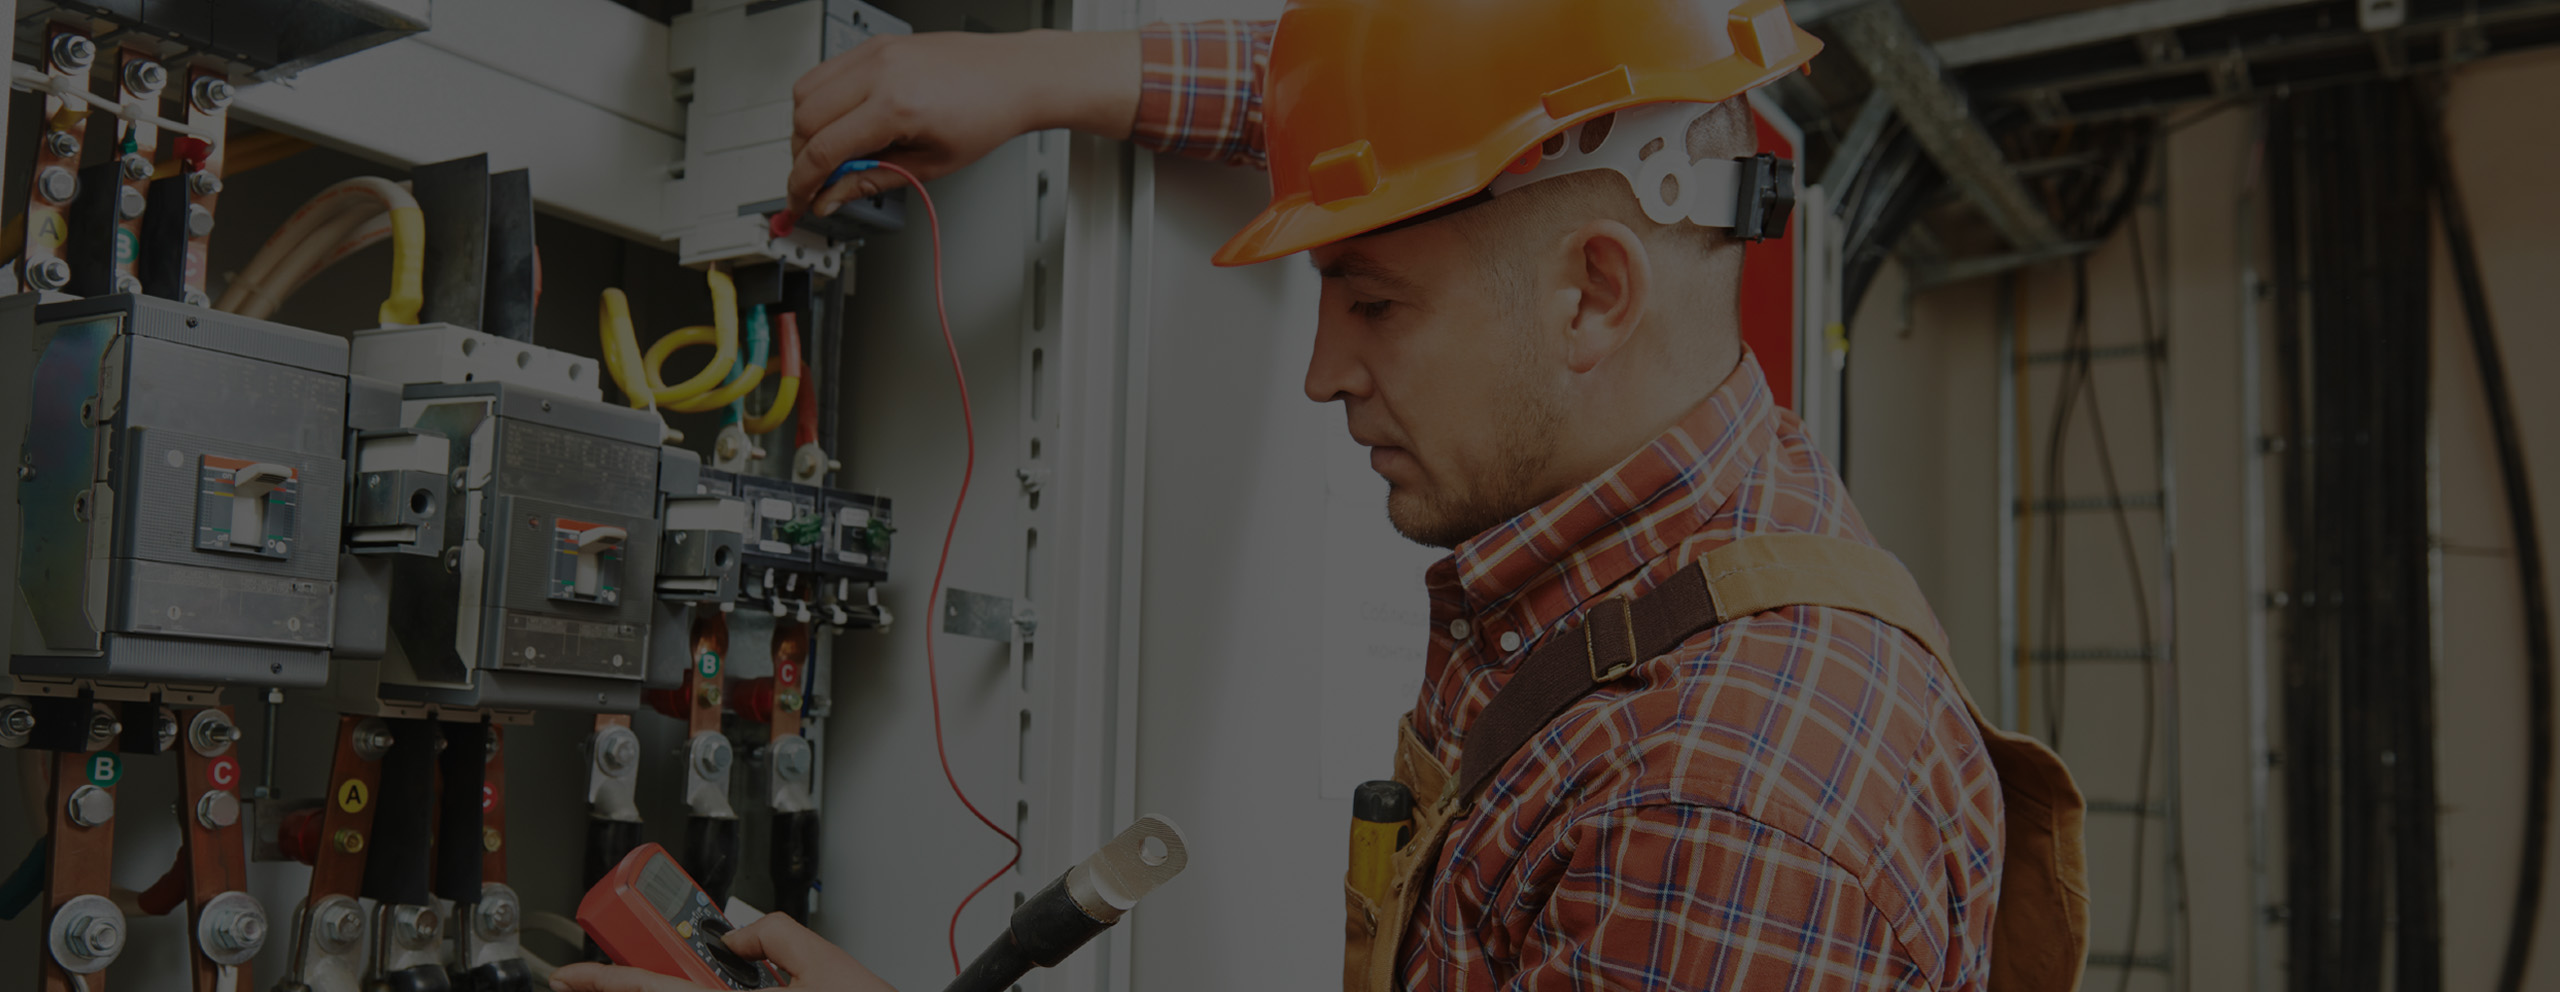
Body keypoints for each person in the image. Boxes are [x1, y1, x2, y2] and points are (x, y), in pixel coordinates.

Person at [558, 2, 2084, 991]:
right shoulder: (1677, 532)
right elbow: (1401, 116)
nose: (1323, 375)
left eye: (1370, 307)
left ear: (1590, 294)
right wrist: (1043, 71)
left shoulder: (1723, 799)